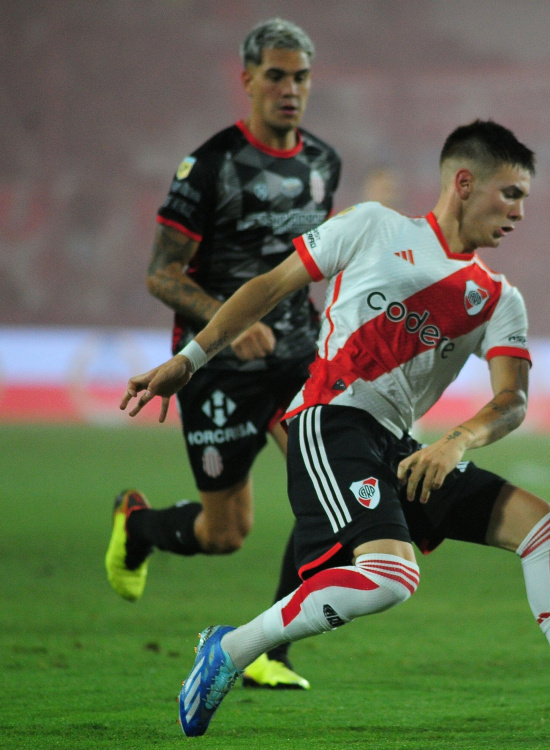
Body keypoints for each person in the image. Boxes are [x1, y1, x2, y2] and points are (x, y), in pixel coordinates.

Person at [121, 119, 550, 737]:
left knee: (547, 531)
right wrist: (190, 360)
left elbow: (512, 400)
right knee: (391, 577)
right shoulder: (372, 226)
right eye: (511, 194)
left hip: (399, 445)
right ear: (464, 183)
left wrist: (457, 440)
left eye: (524, 198)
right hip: (328, 420)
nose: (520, 212)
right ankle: (231, 650)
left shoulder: (498, 298)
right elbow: (268, 287)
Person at [104, 18, 341, 691]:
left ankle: (271, 649)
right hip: (218, 368)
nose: (290, 89)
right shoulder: (209, 166)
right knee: (225, 533)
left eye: (301, 77)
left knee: (327, 487)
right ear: (248, 80)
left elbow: (309, 260)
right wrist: (227, 324)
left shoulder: (324, 163)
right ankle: (139, 526)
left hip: (298, 358)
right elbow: (161, 274)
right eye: (276, 76)